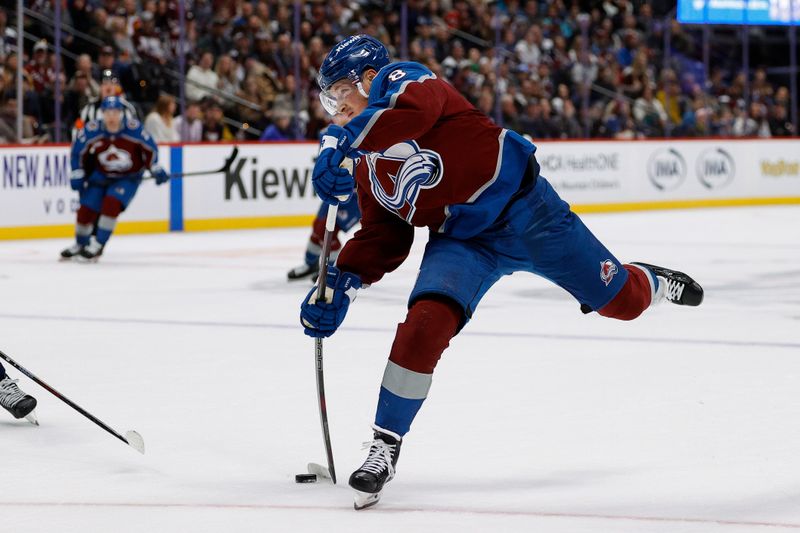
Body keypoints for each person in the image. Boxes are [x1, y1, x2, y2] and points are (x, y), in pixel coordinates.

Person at [299, 35, 705, 510]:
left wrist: (345, 138)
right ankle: (385, 445)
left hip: (531, 214)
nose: (334, 107)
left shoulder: (404, 80)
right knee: (425, 325)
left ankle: (649, 281)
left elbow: (419, 112)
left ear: (370, 80)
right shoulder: (366, 163)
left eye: (341, 93)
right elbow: (384, 236)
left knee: (623, 304)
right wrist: (341, 284)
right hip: (464, 241)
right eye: (328, 99)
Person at [60, 96, 169, 261]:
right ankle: (81, 244)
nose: (112, 116)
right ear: (102, 113)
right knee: (86, 209)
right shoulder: (92, 129)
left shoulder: (134, 129)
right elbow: (77, 151)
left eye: (115, 112)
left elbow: (150, 149)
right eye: (108, 112)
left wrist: (155, 166)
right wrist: (77, 171)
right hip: (101, 176)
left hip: (127, 178)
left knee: (111, 203)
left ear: (121, 113)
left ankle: (98, 244)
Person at [287, 114, 362, 281]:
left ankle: (332, 268)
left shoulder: (363, 132)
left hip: (353, 197)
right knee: (319, 227)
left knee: (328, 231)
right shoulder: (328, 134)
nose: (339, 112)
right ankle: (310, 263)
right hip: (333, 189)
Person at [72, 69, 138, 139]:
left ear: (117, 87)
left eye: (112, 84)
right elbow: (77, 129)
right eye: (105, 83)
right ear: (100, 86)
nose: (108, 87)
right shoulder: (87, 109)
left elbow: (135, 131)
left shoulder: (127, 108)